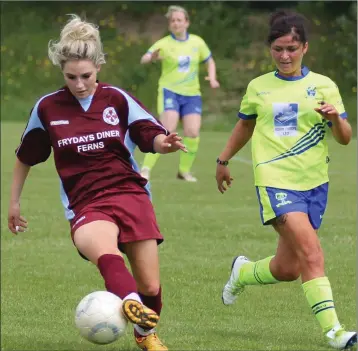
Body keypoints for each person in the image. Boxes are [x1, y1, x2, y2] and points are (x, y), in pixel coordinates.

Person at [7, 14, 188, 351]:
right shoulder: (47, 108)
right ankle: (132, 305)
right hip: (86, 203)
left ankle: (143, 331)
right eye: (70, 77)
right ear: (62, 73)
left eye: (86, 76)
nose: (78, 84)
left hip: (131, 194)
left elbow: (149, 134)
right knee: (106, 253)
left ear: (99, 67)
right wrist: (14, 202)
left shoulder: (116, 99)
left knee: (151, 284)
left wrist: (165, 143)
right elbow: (25, 156)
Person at [216, 9, 356, 350]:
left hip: (314, 183)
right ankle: (334, 332)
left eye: (291, 48)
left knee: (288, 268)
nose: (284, 56)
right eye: (278, 49)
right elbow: (246, 124)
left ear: (305, 48)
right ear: (270, 49)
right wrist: (223, 159)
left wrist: (335, 118)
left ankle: (243, 272)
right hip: (275, 181)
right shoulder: (258, 87)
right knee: (312, 254)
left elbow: (345, 138)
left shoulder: (324, 86)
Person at [139, 5, 220, 182]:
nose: (176, 23)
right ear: (170, 25)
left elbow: (210, 61)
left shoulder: (197, 42)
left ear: (187, 23)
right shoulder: (164, 43)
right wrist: (150, 58)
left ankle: (184, 172)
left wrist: (212, 78)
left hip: (191, 95)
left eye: (179, 20)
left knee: (192, 132)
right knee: (167, 130)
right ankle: (145, 169)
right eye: (173, 21)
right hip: (170, 92)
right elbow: (145, 57)